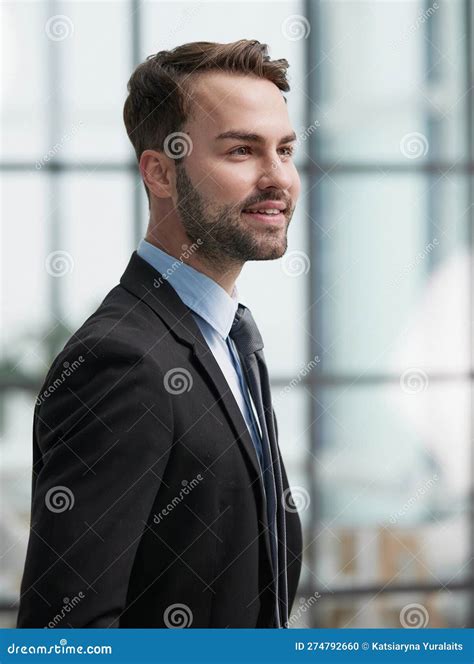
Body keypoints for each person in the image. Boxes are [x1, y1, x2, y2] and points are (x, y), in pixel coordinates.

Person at [17, 39, 303, 629]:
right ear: (161, 172)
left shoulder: (234, 343)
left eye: (286, 150)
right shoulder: (121, 361)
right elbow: (63, 634)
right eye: (242, 151)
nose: (278, 178)